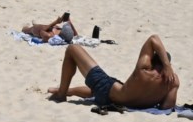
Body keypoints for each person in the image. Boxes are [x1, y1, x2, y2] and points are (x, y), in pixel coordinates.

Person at [48, 35, 179, 110]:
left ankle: (61, 94)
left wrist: (166, 65)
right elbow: (166, 107)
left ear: (153, 60)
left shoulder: (144, 69)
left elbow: (153, 39)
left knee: (72, 49)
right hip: (120, 100)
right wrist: (173, 85)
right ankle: (69, 91)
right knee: (98, 90)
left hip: (108, 91)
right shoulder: (171, 83)